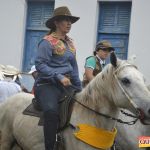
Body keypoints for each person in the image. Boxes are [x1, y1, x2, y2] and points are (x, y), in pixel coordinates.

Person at [34, 6, 81, 150]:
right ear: (56, 23)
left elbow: (74, 68)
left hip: (67, 85)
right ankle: (50, 147)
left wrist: (80, 88)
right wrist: (59, 76)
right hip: (47, 84)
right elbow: (40, 65)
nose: (69, 23)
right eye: (65, 20)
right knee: (51, 111)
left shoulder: (70, 43)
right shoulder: (47, 41)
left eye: (70, 21)